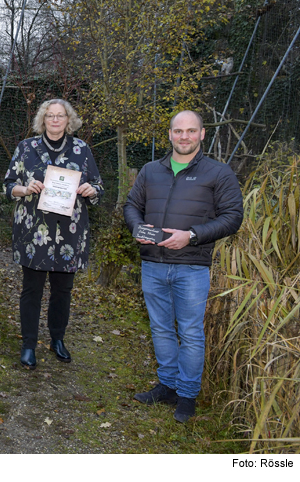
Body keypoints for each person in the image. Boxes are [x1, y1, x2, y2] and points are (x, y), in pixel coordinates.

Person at [124, 110, 243, 423]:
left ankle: (187, 396)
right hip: (153, 265)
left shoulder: (219, 173)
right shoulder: (151, 170)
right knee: (161, 329)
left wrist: (191, 236)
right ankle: (168, 386)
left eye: (191, 131)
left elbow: (233, 217)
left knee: (190, 333)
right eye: (179, 131)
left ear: (202, 134)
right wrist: (138, 229)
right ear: (170, 134)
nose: (184, 136)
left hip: (191, 268)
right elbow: (132, 206)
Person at [4, 99, 103, 369]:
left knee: (63, 290)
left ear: (68, 120)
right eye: (50, 116)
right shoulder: (26, 148)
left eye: (60, 116)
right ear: (42, 119)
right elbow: (8, 184)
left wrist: (91, 191)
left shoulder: (82, 149)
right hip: (34, 232)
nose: (55, 120)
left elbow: (97, 185)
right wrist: (24, 189)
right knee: (31, 290)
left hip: (69, 234)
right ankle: (28, 344)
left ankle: (57, 339)